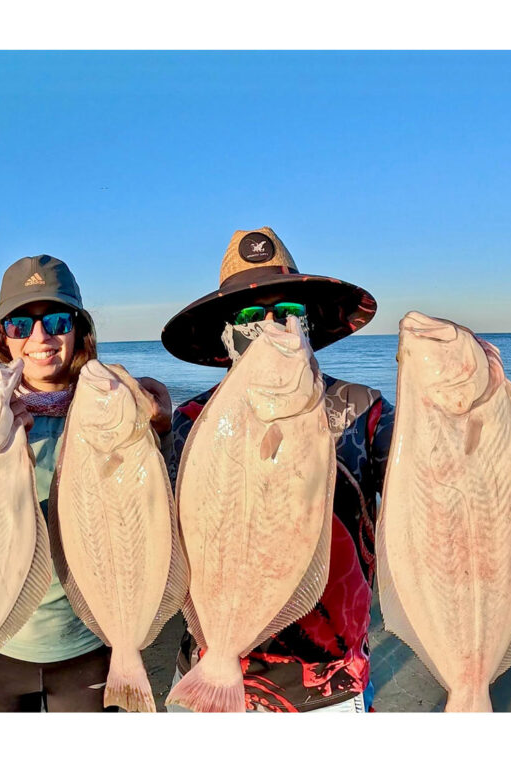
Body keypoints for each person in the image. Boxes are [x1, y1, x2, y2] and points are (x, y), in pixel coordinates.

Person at [160, 227, 393, 713]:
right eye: (249, 316)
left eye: (288, 312)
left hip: (327, 687)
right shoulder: (189, 423)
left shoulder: (365, 410)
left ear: (307, 326)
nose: (270, 326)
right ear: (226, 333)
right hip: (207, 664)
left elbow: (425, 494)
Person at [0, 254, 172, 712]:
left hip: (90, 640)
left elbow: (159, 511)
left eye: (57, 320)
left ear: (79, 329)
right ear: (3, 337)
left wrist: (163, 431)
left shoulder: (116, 406)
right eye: (20, 324)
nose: (40, 338)